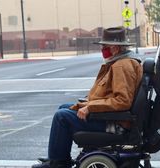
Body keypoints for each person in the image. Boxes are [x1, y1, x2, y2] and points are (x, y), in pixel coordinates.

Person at [32, 26, 143, 168]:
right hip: (114, 117)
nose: (102, 49)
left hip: (114, 123)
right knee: (64, 108)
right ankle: (58, 158)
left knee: (62, 116)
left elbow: (122, 101)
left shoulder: (121, 66)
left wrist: (91, 107)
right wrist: (89, 102)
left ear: (115, 47)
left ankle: (58, 163)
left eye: (104, 46)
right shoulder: (121, 62)